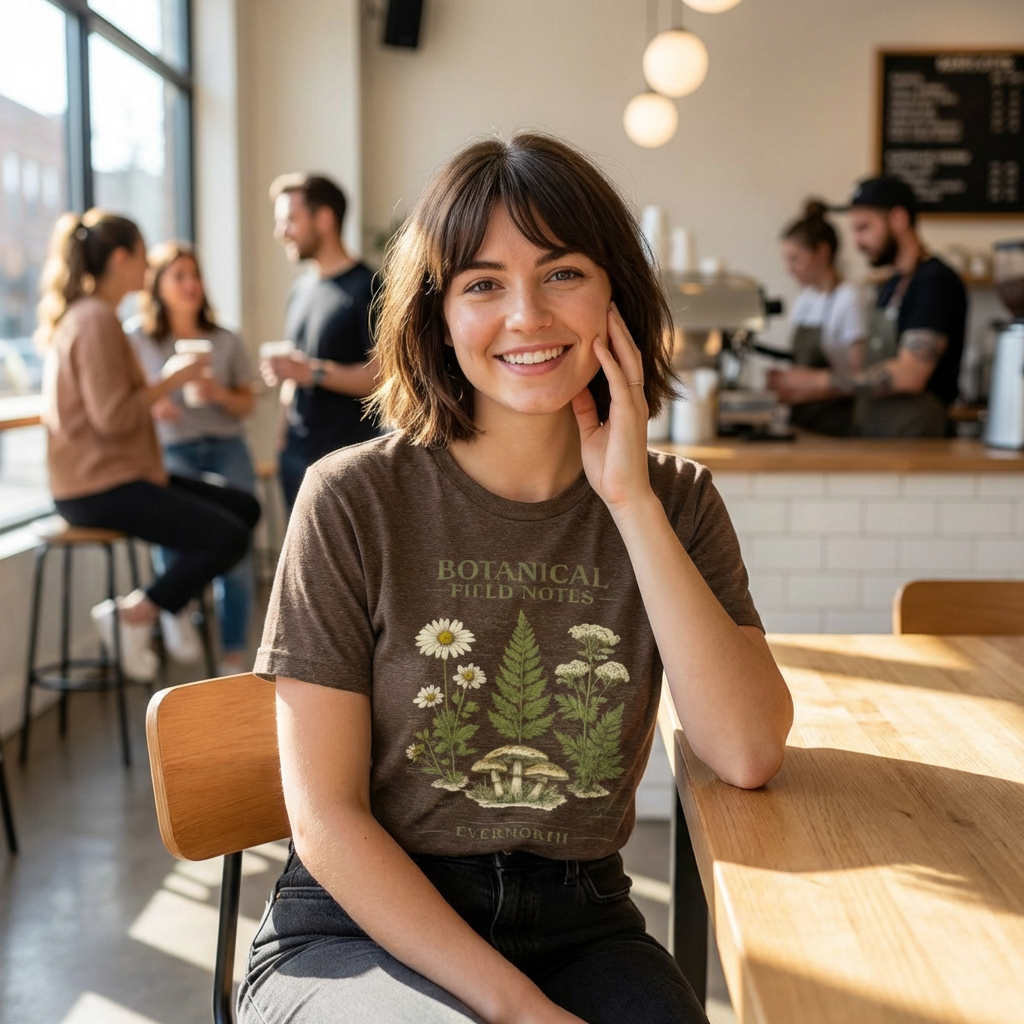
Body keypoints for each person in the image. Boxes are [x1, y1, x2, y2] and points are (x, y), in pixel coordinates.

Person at [241, 134, 793, 1024]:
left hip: (582, 922)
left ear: (617, 293)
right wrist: (520, 1009)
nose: (527, 316)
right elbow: (329, 823)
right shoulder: (351, 499)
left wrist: (630, 503)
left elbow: (746, 750)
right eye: (483, 283)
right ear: (440, 313)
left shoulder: (677, 502)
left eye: (563, 272)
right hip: (358, 925)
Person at [38, 210, 261, 682]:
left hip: (118, 475)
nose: (147, 268)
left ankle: (164, 602)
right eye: (142, 256)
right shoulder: (95, 320)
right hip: (97, 487)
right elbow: (114, 416)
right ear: (121, 259)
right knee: (228, 535)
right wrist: (169, 382)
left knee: (243, 507)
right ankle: (141, 611)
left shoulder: (95, 317)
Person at [128, 241, 258, 675]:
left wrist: (218, 394)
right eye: (178, 276)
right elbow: (124, 400)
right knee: (175, 545)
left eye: (194, 275)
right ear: (158, 286)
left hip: (224, 444)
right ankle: (173, 610)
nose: (190, 284)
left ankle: (234, 654)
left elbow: (246, 404)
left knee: (238, 546)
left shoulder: (225, 337)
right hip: (170, 447)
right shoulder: (136, 339)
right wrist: (153, 400)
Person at [770, 177, 967, 437]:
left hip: (918, 438)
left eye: (864, 228)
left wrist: (817, 382)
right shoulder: (890, 285)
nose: (857, 242)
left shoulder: (934, 281)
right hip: (880, 432)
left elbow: (910, 374)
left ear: (898, 219)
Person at [261, 173, 380, 511]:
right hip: (295, 457)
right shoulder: (299, 291)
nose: (281, 232)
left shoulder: (370, 287)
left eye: (290, 220)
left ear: (324, 219)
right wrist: (282, 439)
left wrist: (311, 372)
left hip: (347, 459)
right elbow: (294, 373)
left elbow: (382, 377)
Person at [767, 199, 866, 435]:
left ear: (822, 252)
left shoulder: (849, 298)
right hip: (804, 420)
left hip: (838, 423)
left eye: (795, 258)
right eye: (786, 259)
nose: (789, 268)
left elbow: (859, 377)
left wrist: (806, 384)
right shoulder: (806, 299)